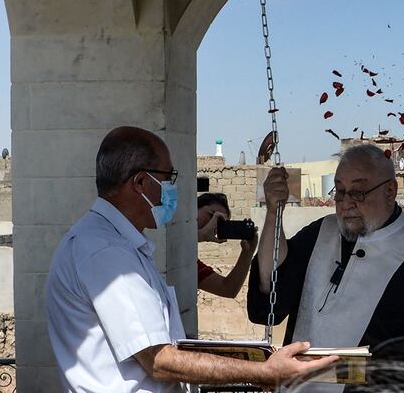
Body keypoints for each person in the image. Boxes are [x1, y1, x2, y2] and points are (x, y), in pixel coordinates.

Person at [46, 126, 336, 392]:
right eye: (168, 178)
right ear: (140, 182)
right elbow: (159, 360)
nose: (172, 190)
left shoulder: (116, 244)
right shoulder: (106, 252)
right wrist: (263, 371)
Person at [248, 143, 404, 381]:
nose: (346, 203)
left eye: (358, 192)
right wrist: (273, 212)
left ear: (390, 191)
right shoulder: (320, 233)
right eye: (340, 191)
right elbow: (272, 286)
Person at [196, 192, 259, 298]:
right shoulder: (165, 229)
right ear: (193, 207)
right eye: (211, 215)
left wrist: (247, 252)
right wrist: (200, 235)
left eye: (220, 222)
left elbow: (228, 289)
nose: (213, 223)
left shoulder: (189, 262)